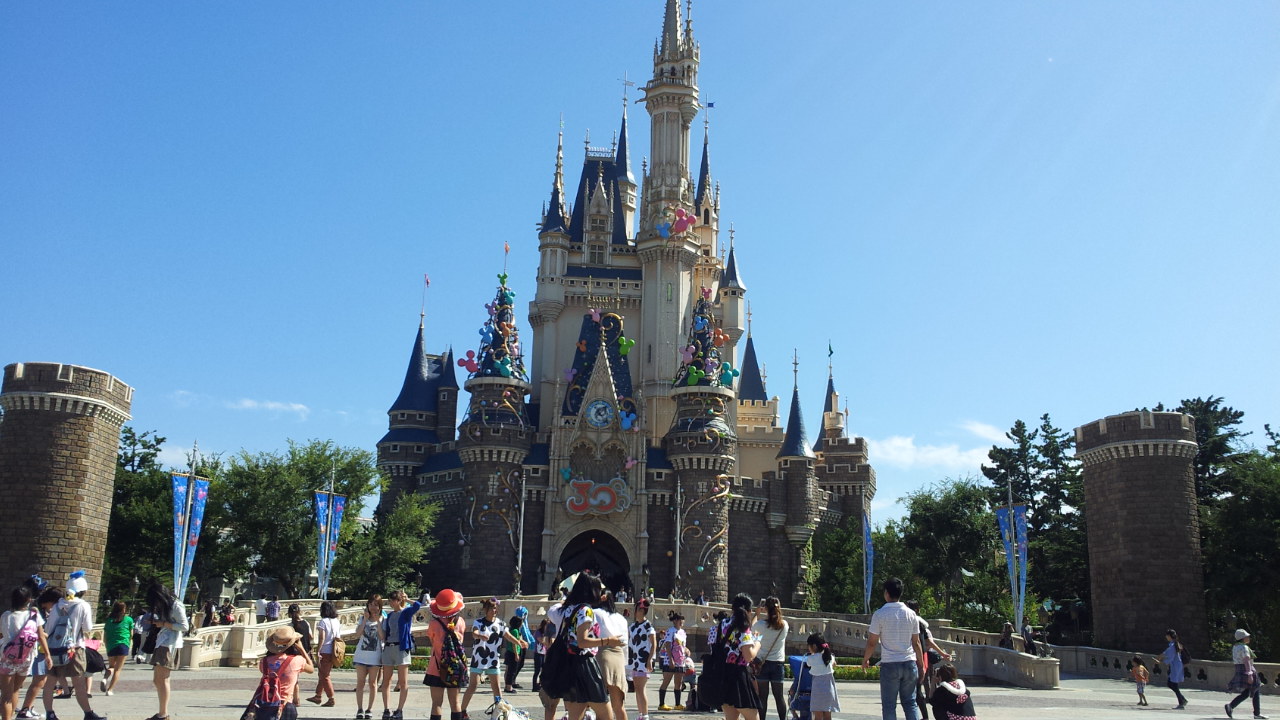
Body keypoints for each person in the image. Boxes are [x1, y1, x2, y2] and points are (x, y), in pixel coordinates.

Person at [545, 572, 621, 720]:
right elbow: (582, 641)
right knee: (606, 715)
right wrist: (608, 641)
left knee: (575, 715)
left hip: (569, 664)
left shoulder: (568, 609)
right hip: (585, 665)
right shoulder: (586, 611)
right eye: (598, 589)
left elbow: (552, 611)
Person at [40, 575, 106, 720]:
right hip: (75, 648)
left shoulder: (57, 605)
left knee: (50, 681)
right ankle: (88, 713)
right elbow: (88, 628)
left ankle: (50, 713)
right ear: (83, 591)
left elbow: (49, 628)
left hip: (56, 648)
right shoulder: (83, 605)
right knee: (79, 682)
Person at [862, 578, 925, 720]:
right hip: (909, 662)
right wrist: (921, 665)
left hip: (890, 663)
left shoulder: (879, 614)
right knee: (910, 703)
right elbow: (916, 643)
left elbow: (872, 642)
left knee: (889, 705)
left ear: (886, 593)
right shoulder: (911, 614)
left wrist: (866, 659)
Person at [462, 597, 524, 715]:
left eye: (495, 608)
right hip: (479, 658)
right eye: (491, 608)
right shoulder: (478, 622)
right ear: (486, 610)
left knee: (496, 687)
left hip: (493, 659)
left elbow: (508, 636)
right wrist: (479, 636)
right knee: (473, 686)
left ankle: (500, 712)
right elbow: (474, 632)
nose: (494, 610)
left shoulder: (501, 624)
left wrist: (519, 642)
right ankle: (462, 711)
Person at [708, 594, 761, 720]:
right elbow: (748, 656)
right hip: (738, 677)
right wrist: (757, 643)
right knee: (753, 717)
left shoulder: (722, 624)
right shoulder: (743, 628)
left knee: (731, 717)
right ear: (749, 611)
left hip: (723, 673)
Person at [2, 586, 49, 720]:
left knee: (6, 696)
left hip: (8, 657)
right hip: (26, 657)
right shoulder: (34, 615)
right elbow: (41, 636)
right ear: (29, 599)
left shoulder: (6, 615)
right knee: (15, 690)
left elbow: (2, 634)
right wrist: (48, 655)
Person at [145, 580, 189, 720]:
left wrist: (164, 623)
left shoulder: (176, 605)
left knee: (163, 679)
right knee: (157, 679)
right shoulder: (167, 605)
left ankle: (163, 714)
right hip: (163, 642)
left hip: (170, 644)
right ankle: (162, 712)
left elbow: (184, 626)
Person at [252, 626, 315, 720]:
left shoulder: (264, 662)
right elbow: (311, 669)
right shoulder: (296, 661)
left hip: (265, 704)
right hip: (286, 704)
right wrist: (301, 649)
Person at [378, 589, 423, 720]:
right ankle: (386, 709)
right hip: (389, 647)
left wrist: (407, 599)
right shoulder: (390, 615)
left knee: (403, 681)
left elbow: (418, 606)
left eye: (393, 601)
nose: (391, 603)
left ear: (398, 601)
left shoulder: (405, 612)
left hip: (401, 648)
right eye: (390, 601)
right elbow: (385, 633)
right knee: (386, 681)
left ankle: (399, 710)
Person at [904, 600, 950, 720]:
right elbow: (928, 641)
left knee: (916, 689)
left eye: (908, 608)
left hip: (916, 657)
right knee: (916, 689)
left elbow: (926, 642)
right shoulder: (916, 622)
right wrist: (942, 653)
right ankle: (924, 717)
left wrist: (942, 653)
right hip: (916, 657)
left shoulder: (916, 622)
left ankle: (924, 717)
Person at [424, 589, 466, 720]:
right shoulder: (460, 621)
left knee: (436, 703)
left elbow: (432, 641)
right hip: (455, 668)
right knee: (455, 703)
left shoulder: (434, 624)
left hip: (436, 668)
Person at [594, 591, 629, 720]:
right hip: (618, 655)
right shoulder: (621, 618)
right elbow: (625, 643)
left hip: (602, 652)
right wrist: (625, 665)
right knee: (619, 706)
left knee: (600, 704)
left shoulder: (595, 613)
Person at [753, 597, 789, 720]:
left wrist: (757, 614)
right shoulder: (784, 625)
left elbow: (751, 630)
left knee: (762, 697)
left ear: (765, 608)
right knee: (779, 697)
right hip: (778, 663)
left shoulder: (760, 625)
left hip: (762, 663)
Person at [352, 595, 385, 720]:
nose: (373, 607)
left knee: (372, 683)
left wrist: (378, 621)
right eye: (370, 604)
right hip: (361, 655)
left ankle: (369, 709)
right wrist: (365, 620)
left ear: (380, 606)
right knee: (360, 682)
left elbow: (382, 637)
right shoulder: (363, 618)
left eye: (375, 604)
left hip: (374, 656)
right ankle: (360, 708)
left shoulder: (383, 619)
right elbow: (357, 634)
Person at [626, 600, 656, 720]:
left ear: (642, 611)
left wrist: (650, 660)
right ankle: (640, 714)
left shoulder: (648, 626)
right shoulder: (632, 627)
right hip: (634, 660)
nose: (635, 612)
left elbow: (654, 644)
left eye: (637, 609)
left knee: (641, 688)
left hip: (643, 660)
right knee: (637, 688)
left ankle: (645, 714)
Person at [306, 601, 339, 707]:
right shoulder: (336, 621)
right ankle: (318, 695)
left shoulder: (323, 622)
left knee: (325, 676)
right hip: (334, 651)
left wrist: (318, 650)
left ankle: (331, 698)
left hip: (325, 650)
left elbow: (322, 637)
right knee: (323, 674)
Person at [1225, 629, 1263, 719]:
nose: (1248, 637)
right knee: (1256, 688)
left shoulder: (1235, 647)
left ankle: (1230, 706)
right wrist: (1250, 674)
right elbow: (1246, 660)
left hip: (1239, 669)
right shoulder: (1244, 647)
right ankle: (1257, 714)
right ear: (1243, 638)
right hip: (1247, 669)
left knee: (1247, 692)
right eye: (1247, 636)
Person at [802, 633, 839, 720]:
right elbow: (834, 663)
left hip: (818, 691)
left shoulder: (811, 658)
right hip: (829, 690)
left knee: (817, 716)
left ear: (814, 646)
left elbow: (808, 664)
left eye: (809, 646)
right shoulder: (830, 657)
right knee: (827, 716)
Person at [657, 611, 689, 711]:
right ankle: (661, 704)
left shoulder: (683, 632)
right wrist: (670, 659)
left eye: (682, 619)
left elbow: (682, 645)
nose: (681, 621)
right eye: (680, 619)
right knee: (666, 681)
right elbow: (667, 645)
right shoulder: (671, 631)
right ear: (675, 621)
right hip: (670, 660)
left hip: (680, 660)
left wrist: (686, 650)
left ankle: (677, 704)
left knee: (678, 683)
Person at [100, 602, 133, 696]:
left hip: (111, 645)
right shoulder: (128, 619)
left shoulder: (109, 620)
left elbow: (105, 635)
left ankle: (105, 678)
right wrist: (129, 642)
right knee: (117, 669)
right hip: (123, 644)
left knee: (111, 666)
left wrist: (107, 645)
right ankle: (110, 690)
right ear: (123, 609)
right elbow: (131, 634)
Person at [1153, 628, 1189, 710]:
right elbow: (1167, 653)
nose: (1166, 637)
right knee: (1171, 683)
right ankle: (1182, 699)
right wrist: (1160, 658)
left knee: (1173, 684)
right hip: (1176, 666)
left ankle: (1181, 702)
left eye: (1167, 635)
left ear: (1169, 636)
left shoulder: (1173, 645)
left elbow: (1168, 655)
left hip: (1176, 666)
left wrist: (1160, 661)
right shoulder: (1174, 644)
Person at [504, 608, 534, 694]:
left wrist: (524, 642)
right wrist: (516, 654)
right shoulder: (515, 631)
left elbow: (517, 640)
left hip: (511, 652)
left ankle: (508, 685)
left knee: (511, 670)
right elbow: (514, 643)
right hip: (513, 652)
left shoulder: (513, 630)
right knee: (512, 670)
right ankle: (508, 687)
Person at [531, 619, 548, 693]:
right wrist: (545, 634)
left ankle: (541, 684)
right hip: (538, 653)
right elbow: (542, 641)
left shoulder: (545, 633)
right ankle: (534, 686)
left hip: (543, 653)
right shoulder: (538, 632)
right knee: (537, 670)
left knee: (544, 670)